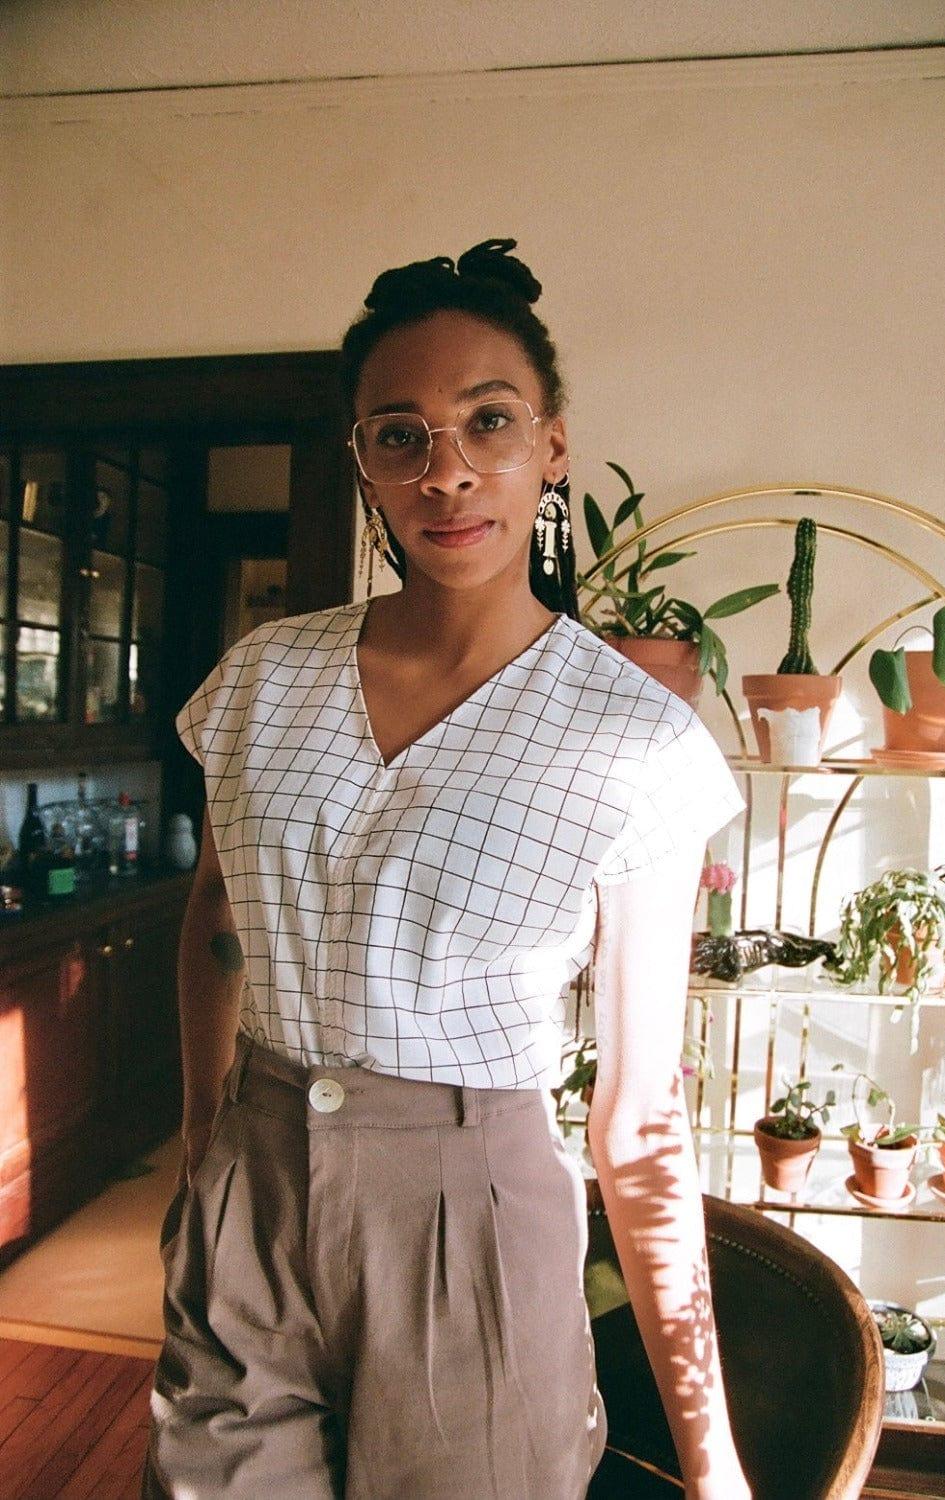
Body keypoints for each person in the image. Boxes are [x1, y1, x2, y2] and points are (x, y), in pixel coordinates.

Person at [142, 238, 751, 1500]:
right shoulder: (265, 677)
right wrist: (207, 1138)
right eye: (400, 435)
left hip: (470, 1220)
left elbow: (640, 1113)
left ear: (553, 444)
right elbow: (217, 916)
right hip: (254, 1187)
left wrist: (713, 1460)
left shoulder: (634, 740)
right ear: (362, 460)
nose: (448, 469)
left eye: (489, 420)